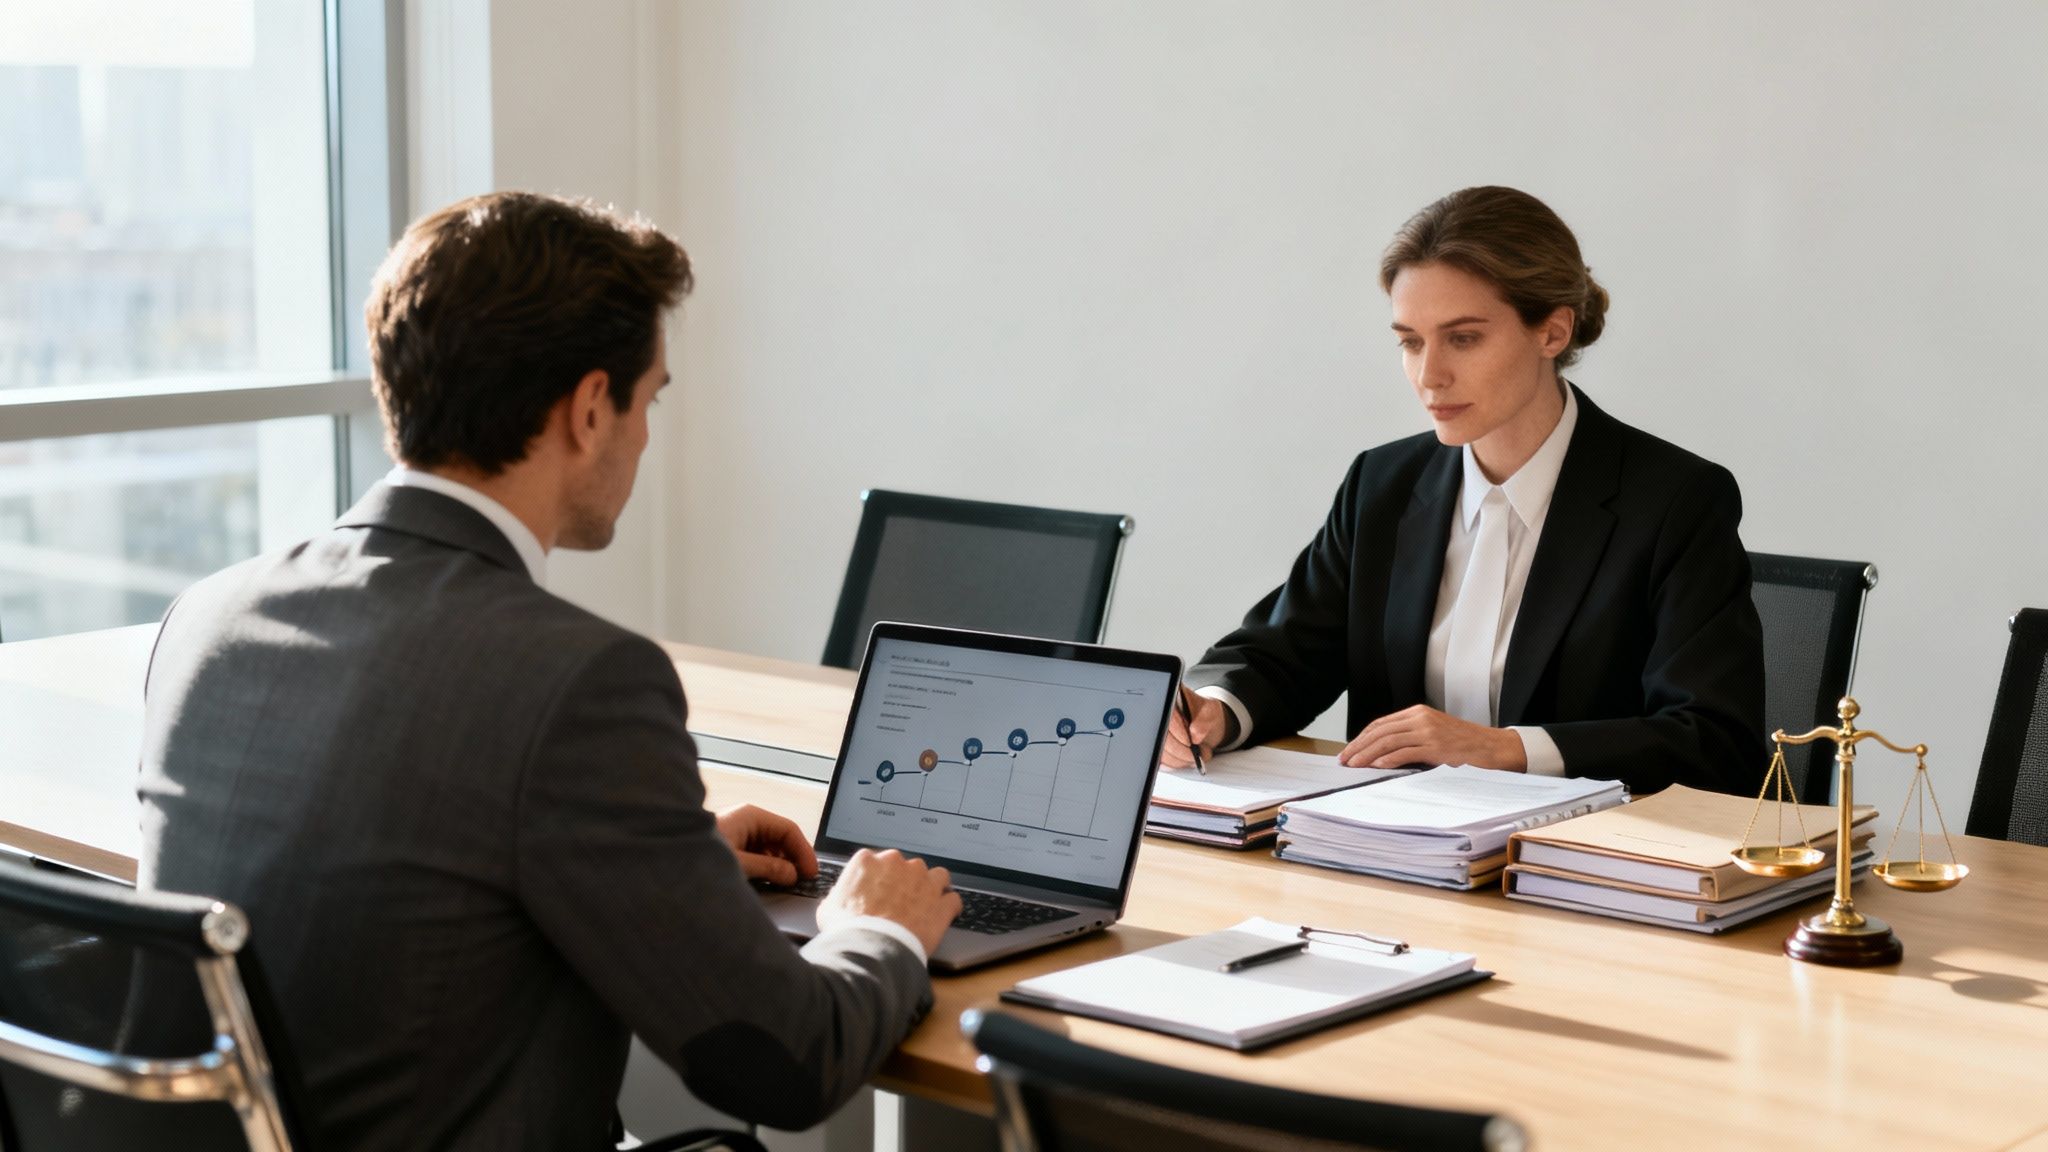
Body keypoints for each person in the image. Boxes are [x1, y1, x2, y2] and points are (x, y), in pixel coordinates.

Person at [136, 192, 961, 1150]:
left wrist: (664, 861)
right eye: (649, 400)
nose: (648, 436)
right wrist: (878, 927)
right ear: (588, 409)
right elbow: (786, 1062)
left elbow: (403, 858)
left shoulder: (208, 615)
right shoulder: (580, 682)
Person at [1165, 186, 1765, 796]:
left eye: (1464, 338)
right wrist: (1215, 706)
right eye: (1410, 341)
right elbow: (1281, 654)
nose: (1430, 375)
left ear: (1553, 332)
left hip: (1572, 867)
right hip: (1395, 851)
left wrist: (1505, 749)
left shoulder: (1674, 501)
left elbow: (1714, 741)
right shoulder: (1383, 484)